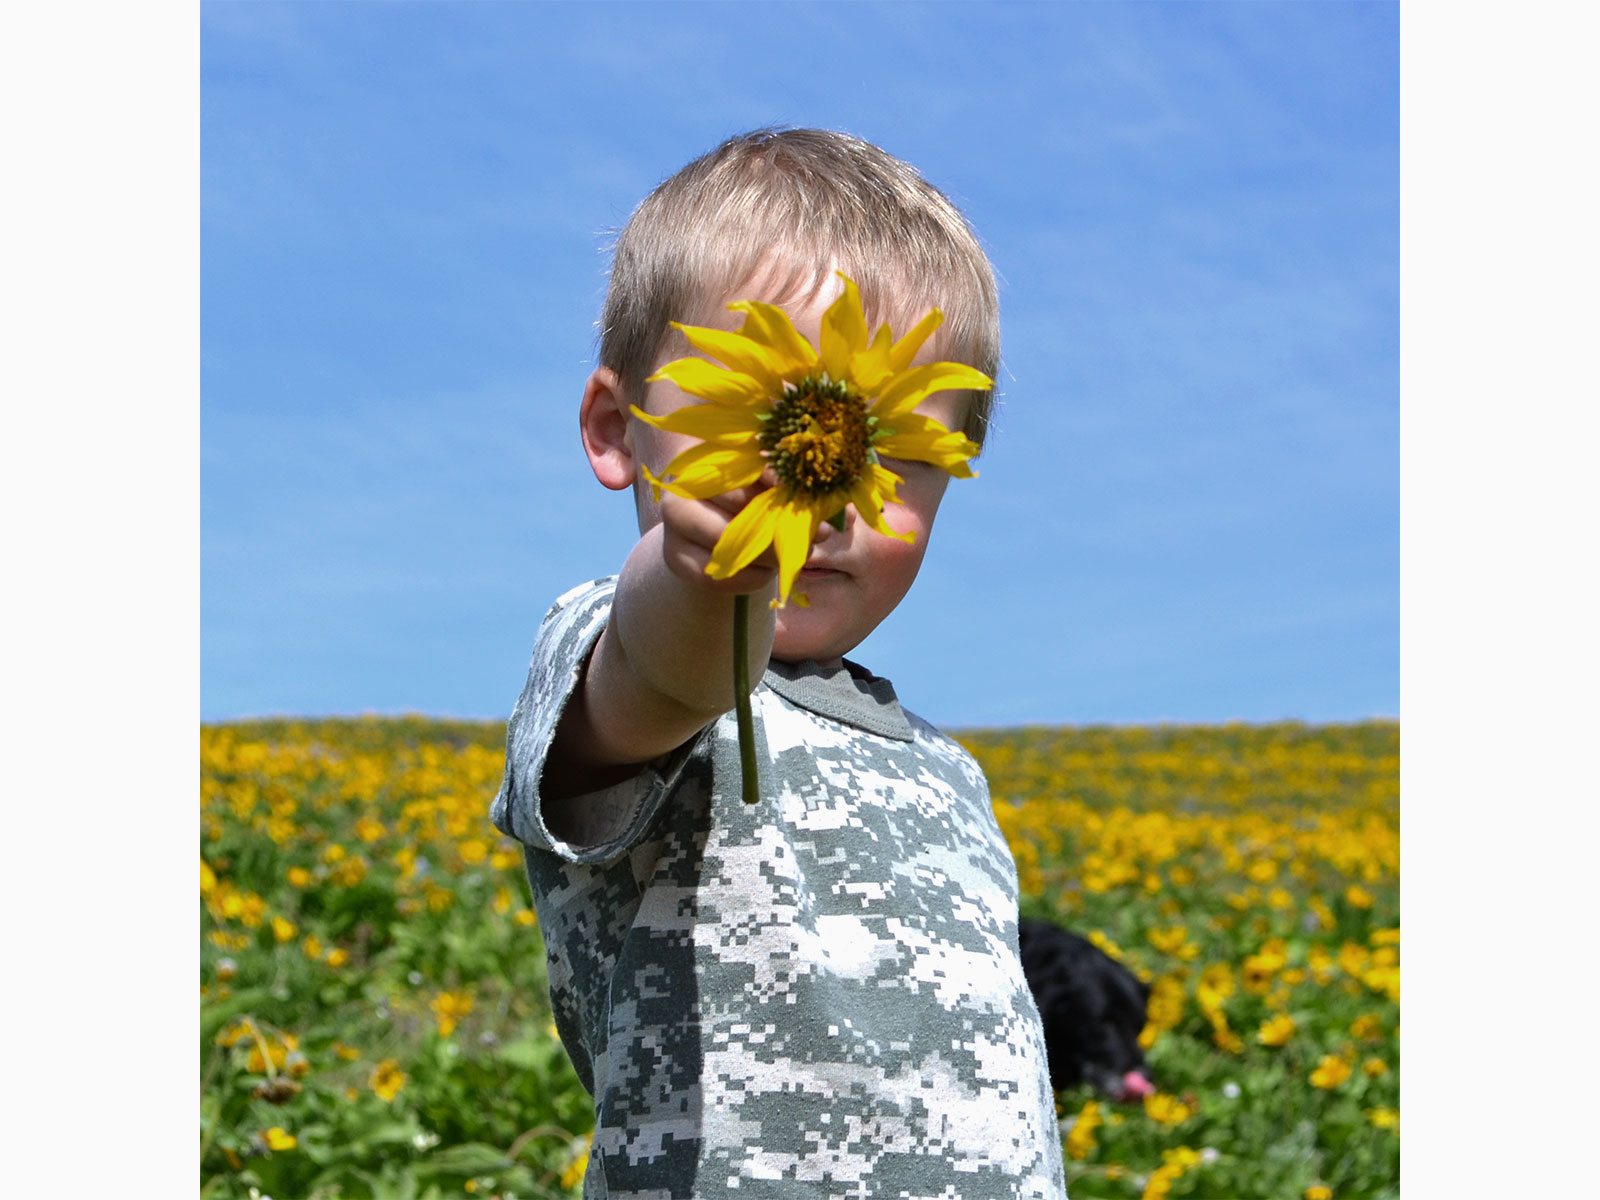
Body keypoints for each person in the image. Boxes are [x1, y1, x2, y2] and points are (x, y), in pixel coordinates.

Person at [491, 128, 1067, 1198]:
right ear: (621, 429)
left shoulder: (947, 769)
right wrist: (712, 574)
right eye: (773, 424)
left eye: (888, 455)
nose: (833, 489)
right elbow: (669, 674)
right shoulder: (621, 644)